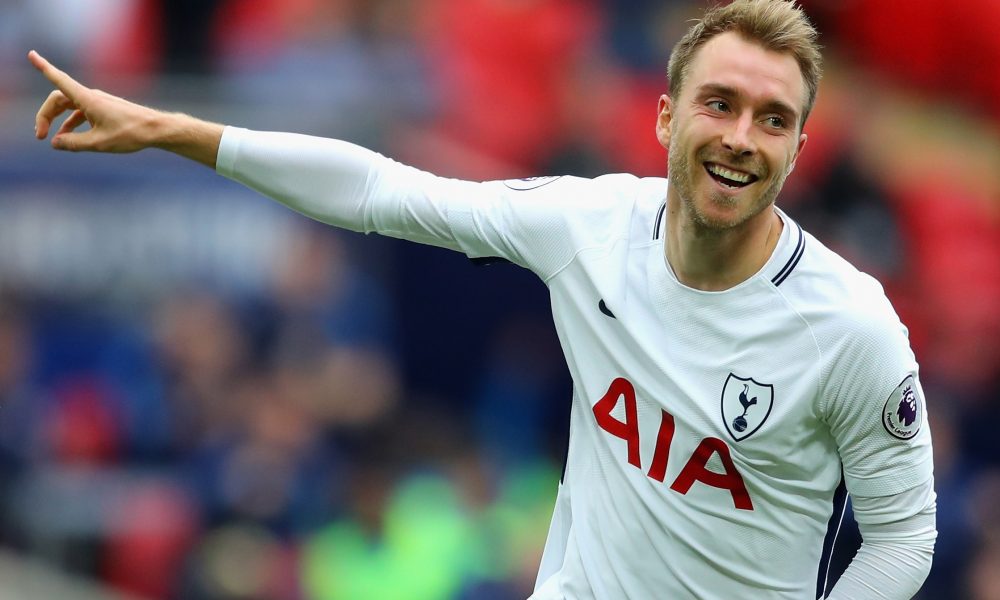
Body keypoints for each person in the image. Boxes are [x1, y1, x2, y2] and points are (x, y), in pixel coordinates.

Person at [28, 0, 936, 598]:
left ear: (799, 147)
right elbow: (382, 191)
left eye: (773, 119)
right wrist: (171, 129)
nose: (741, 137)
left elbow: (903, 539)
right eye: (721, 103)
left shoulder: (849, 328)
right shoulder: (590, 226)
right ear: (666, 116)